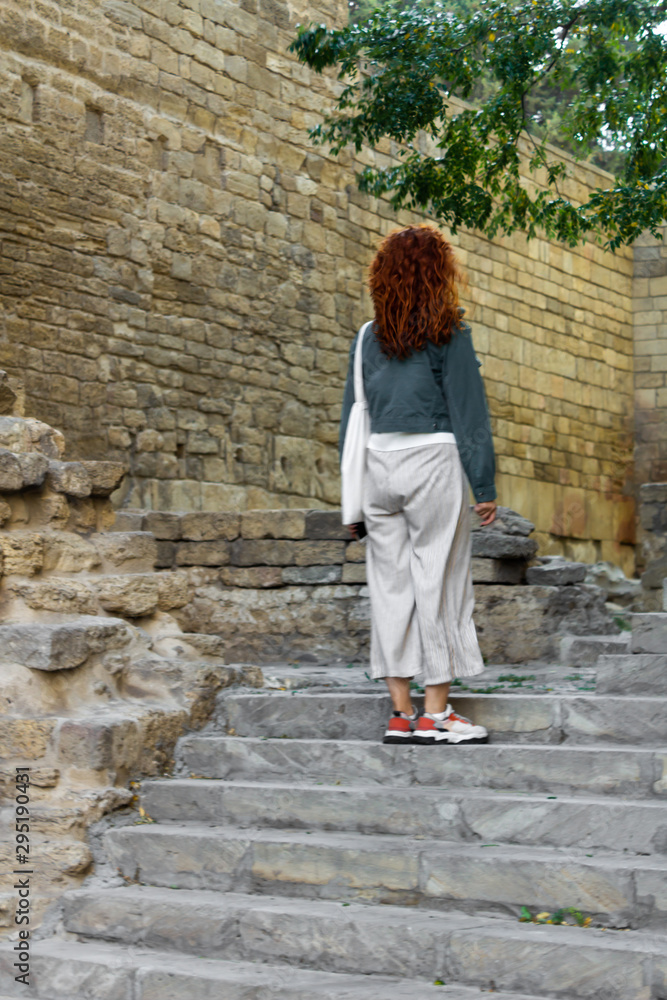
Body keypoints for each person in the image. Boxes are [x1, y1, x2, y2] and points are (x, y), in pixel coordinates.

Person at [339, 225, 497, 746]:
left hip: (377, 468)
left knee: (390, 588)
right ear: (441, 273)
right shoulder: (448, 331)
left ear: (382, 276)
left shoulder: (367, 336)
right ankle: (436, 714)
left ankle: (400, 714)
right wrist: (484, 485)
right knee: (441, 582)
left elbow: (351, 419)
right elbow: (468, 412)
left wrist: (352, 499)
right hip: (433, 462)